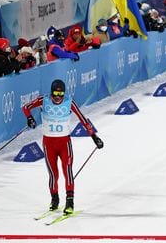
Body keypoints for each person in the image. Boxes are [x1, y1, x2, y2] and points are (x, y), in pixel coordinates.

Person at [22, 79, 104, 215]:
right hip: (49, 144)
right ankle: (55, 200)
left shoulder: (69, 102)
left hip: (64, 143)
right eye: (55, 93)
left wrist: (94, 137)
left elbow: (83, 119)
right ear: (51, 92)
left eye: (60, 94)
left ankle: (70, 202)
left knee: (68, 172)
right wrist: (29, 118)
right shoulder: (44, 100)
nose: (58, 97)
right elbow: (25, 107)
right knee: (53, 174)